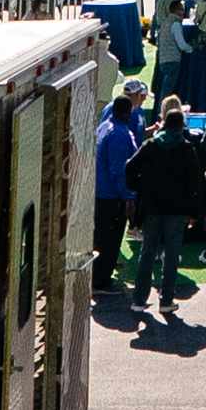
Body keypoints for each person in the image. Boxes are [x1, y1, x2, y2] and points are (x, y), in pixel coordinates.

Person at [124, 101, 206, 302]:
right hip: (177, 210)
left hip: (151, 207)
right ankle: (167, 299)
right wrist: (195, 211)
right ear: (181, 126)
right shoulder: (187, 149)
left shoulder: (150, 145)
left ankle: (139, 298)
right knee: (171, 255)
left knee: (147, 253)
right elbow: (194, 183)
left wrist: (139, 189)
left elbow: (129, 167)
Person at [90, 89, 142, 289]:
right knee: (110, 240)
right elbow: (119, 171)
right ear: (127, 113)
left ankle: (97, 277)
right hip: (112, 197)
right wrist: (128, 198)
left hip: (101, 193)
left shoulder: (104, 127)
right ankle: (101, 281)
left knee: (101, 237)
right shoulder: (119, 135)